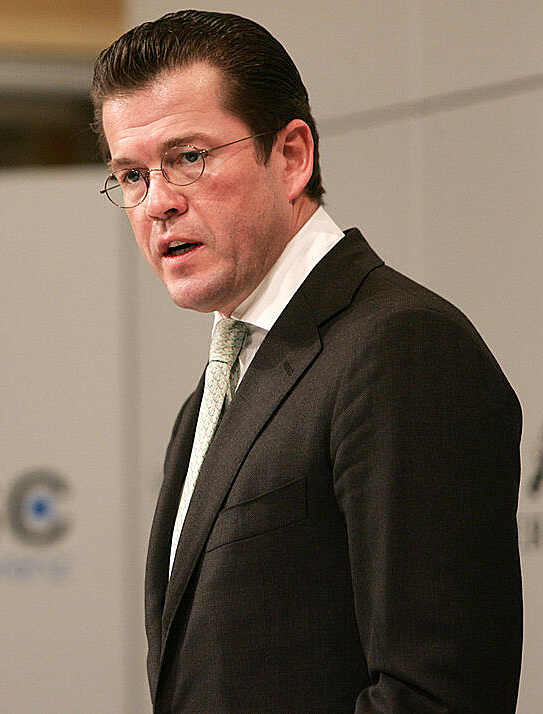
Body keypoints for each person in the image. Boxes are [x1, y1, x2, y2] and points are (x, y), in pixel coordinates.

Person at [90, 10, 522, 713]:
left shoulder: (400, 350)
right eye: (131, 175)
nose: (157, 202)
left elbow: (436, 694)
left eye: (189, 158)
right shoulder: (213, 393)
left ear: (292, 156)